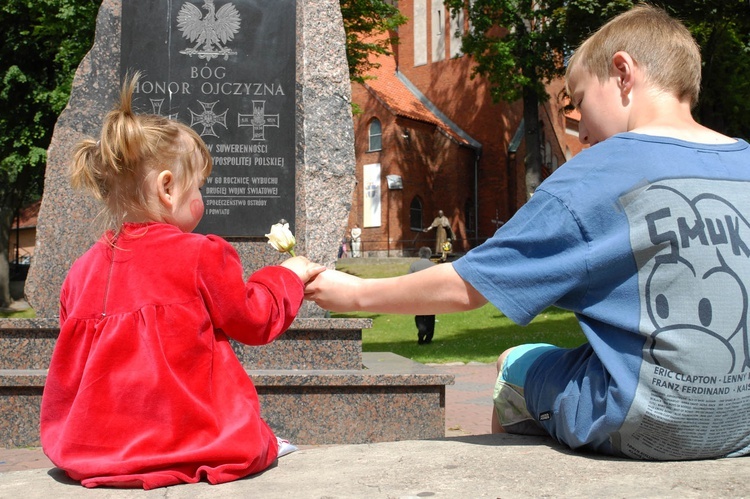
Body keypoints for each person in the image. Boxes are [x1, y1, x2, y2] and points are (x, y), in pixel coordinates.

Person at [306, 4, 750, 460]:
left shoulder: (594, 174)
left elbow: (470, 287)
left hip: (647, 420)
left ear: (622, 73)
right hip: (744, 423)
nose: (586, 133)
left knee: (514, 363)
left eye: (578, 101)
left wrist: (355, 293)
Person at [40, 73, 325, 489]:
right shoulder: (200, 254)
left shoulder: (80, 271)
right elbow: (254, 319)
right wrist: (288, 276)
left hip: (95, 451)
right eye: (200, 186)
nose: (203, 198)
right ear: (168, 188)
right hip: (193, 441)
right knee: (249, 440)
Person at [409, 247, 437, 344]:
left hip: (418, 294)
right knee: (430, 316)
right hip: (430, 294)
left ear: (420, 254)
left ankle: (421, 330)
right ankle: (428, 338)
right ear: (430, 254)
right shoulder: (434, 266)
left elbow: (408, 279)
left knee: (419, 314)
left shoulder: (414, 265)